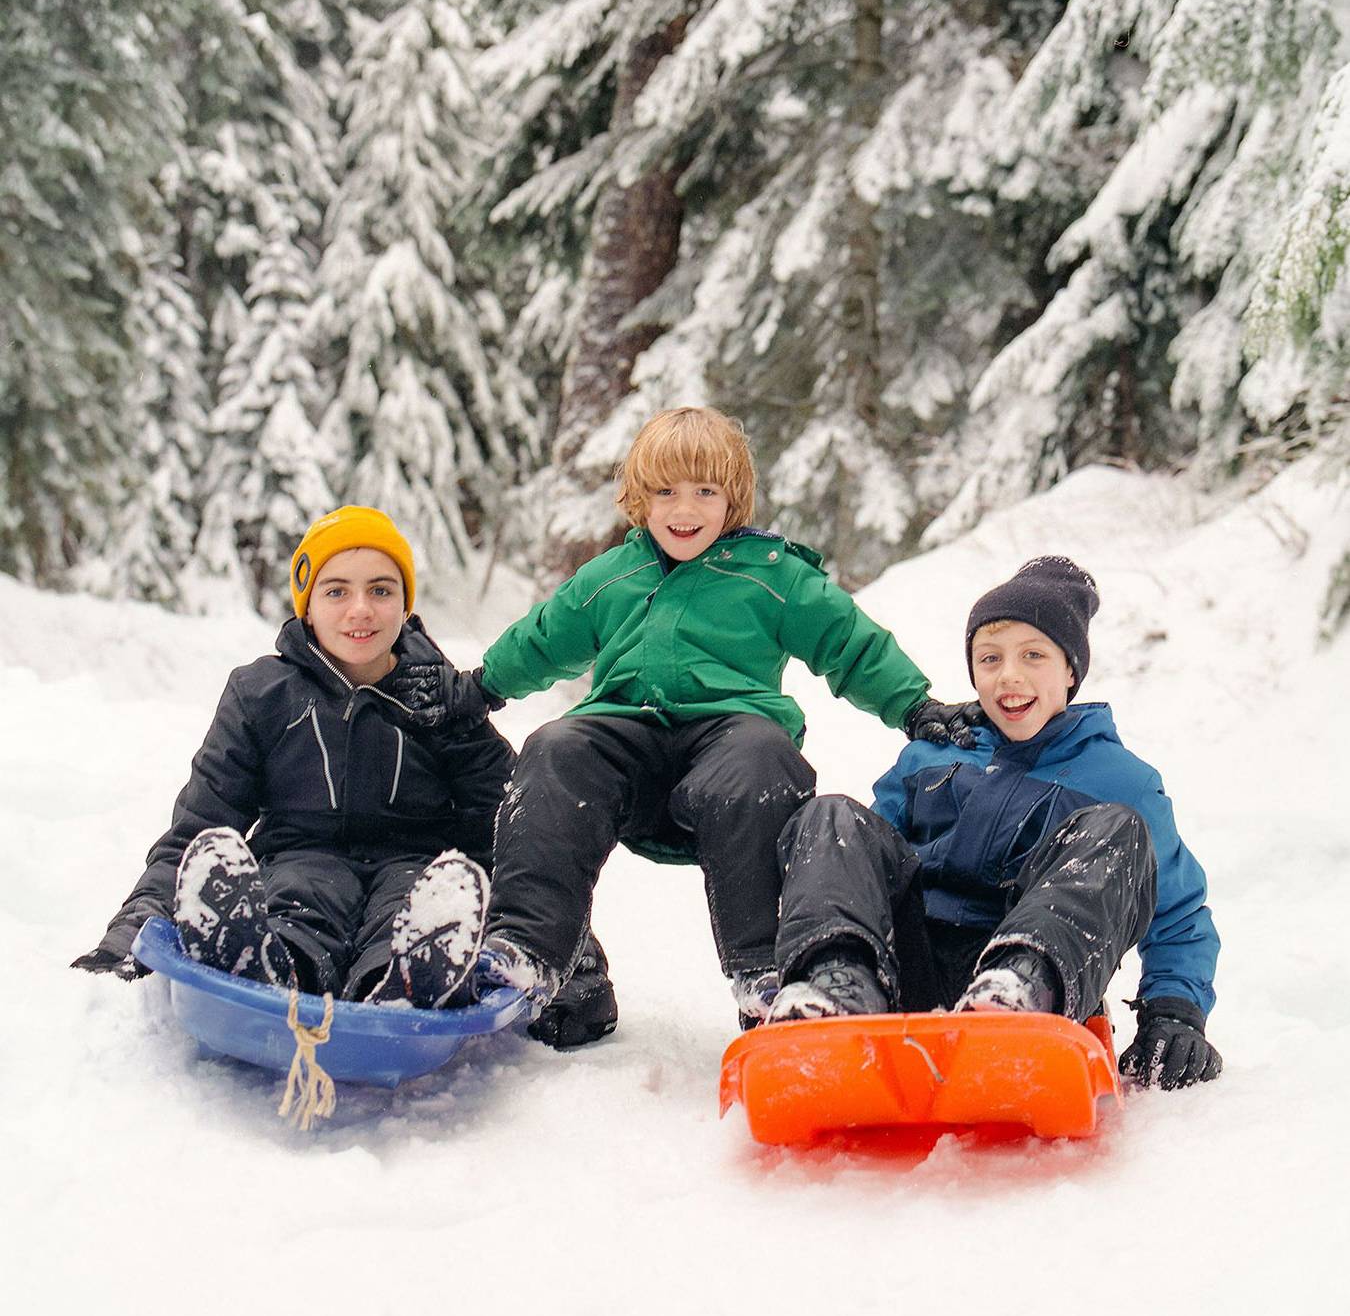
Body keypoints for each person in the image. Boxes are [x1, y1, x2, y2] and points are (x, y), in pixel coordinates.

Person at [453, 406, 978, 1032]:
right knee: (555, 747)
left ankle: (762, 970)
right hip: (626, 738)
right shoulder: (613, 576)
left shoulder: (772, 574)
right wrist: (482, 685)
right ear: (638, 498)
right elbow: (544, 638)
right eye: (667, 491)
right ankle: (527, 950)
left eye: (706, 491)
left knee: (759, 753)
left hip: (732, 739)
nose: (686, 508)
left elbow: (850, 641)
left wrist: (914, 705)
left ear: (733, 499)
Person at [768, 555, 1223, 1090]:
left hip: (1041, 971)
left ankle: (1017, 990)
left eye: (1034, 655)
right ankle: (836, 987)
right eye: (990, 658)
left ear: (1070, 670)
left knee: (1117, 830)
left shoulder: (1121, 780)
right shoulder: (932, 755)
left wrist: (1174, 1013)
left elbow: (1175, 911)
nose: (1010, 675)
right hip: (909, 968)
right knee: (833, 816)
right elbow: (865, 866)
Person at [71, 506, 543, 1017]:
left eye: (381, 590)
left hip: (413, 866)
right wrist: (130, 934)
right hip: (295, 861)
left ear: (406, 606)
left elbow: (512, 837)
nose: (359, 609)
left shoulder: (440, 697)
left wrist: (562, 964)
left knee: (412, 907)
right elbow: (198, 827)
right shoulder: (262, 694)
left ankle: (407, 983)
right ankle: (262, 966)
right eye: (336, 591)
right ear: (308, 607)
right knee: (298, 899)